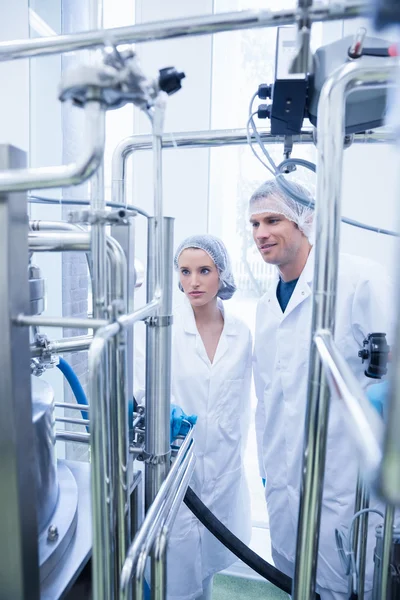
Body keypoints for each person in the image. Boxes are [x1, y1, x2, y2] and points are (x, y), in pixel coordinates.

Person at [250, 179, 394, 600]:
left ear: (305, 221)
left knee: (346, 585)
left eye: (273, 220)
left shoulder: (359, 279)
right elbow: (268, 398)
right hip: (282, 480)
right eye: (255, 223)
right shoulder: (264, 306)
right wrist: (266, 467)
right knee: (295, 581)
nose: (261, 233)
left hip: (345, 484)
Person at [166, 234, 252, 600]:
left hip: (224, 470)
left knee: (207, 571)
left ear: (223, 274)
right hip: (176, 472)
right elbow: (141, 386)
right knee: (176, 571)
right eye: (185, 272)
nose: (194, 282)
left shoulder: (241, 334)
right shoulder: (164, 329)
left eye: (204, 270)